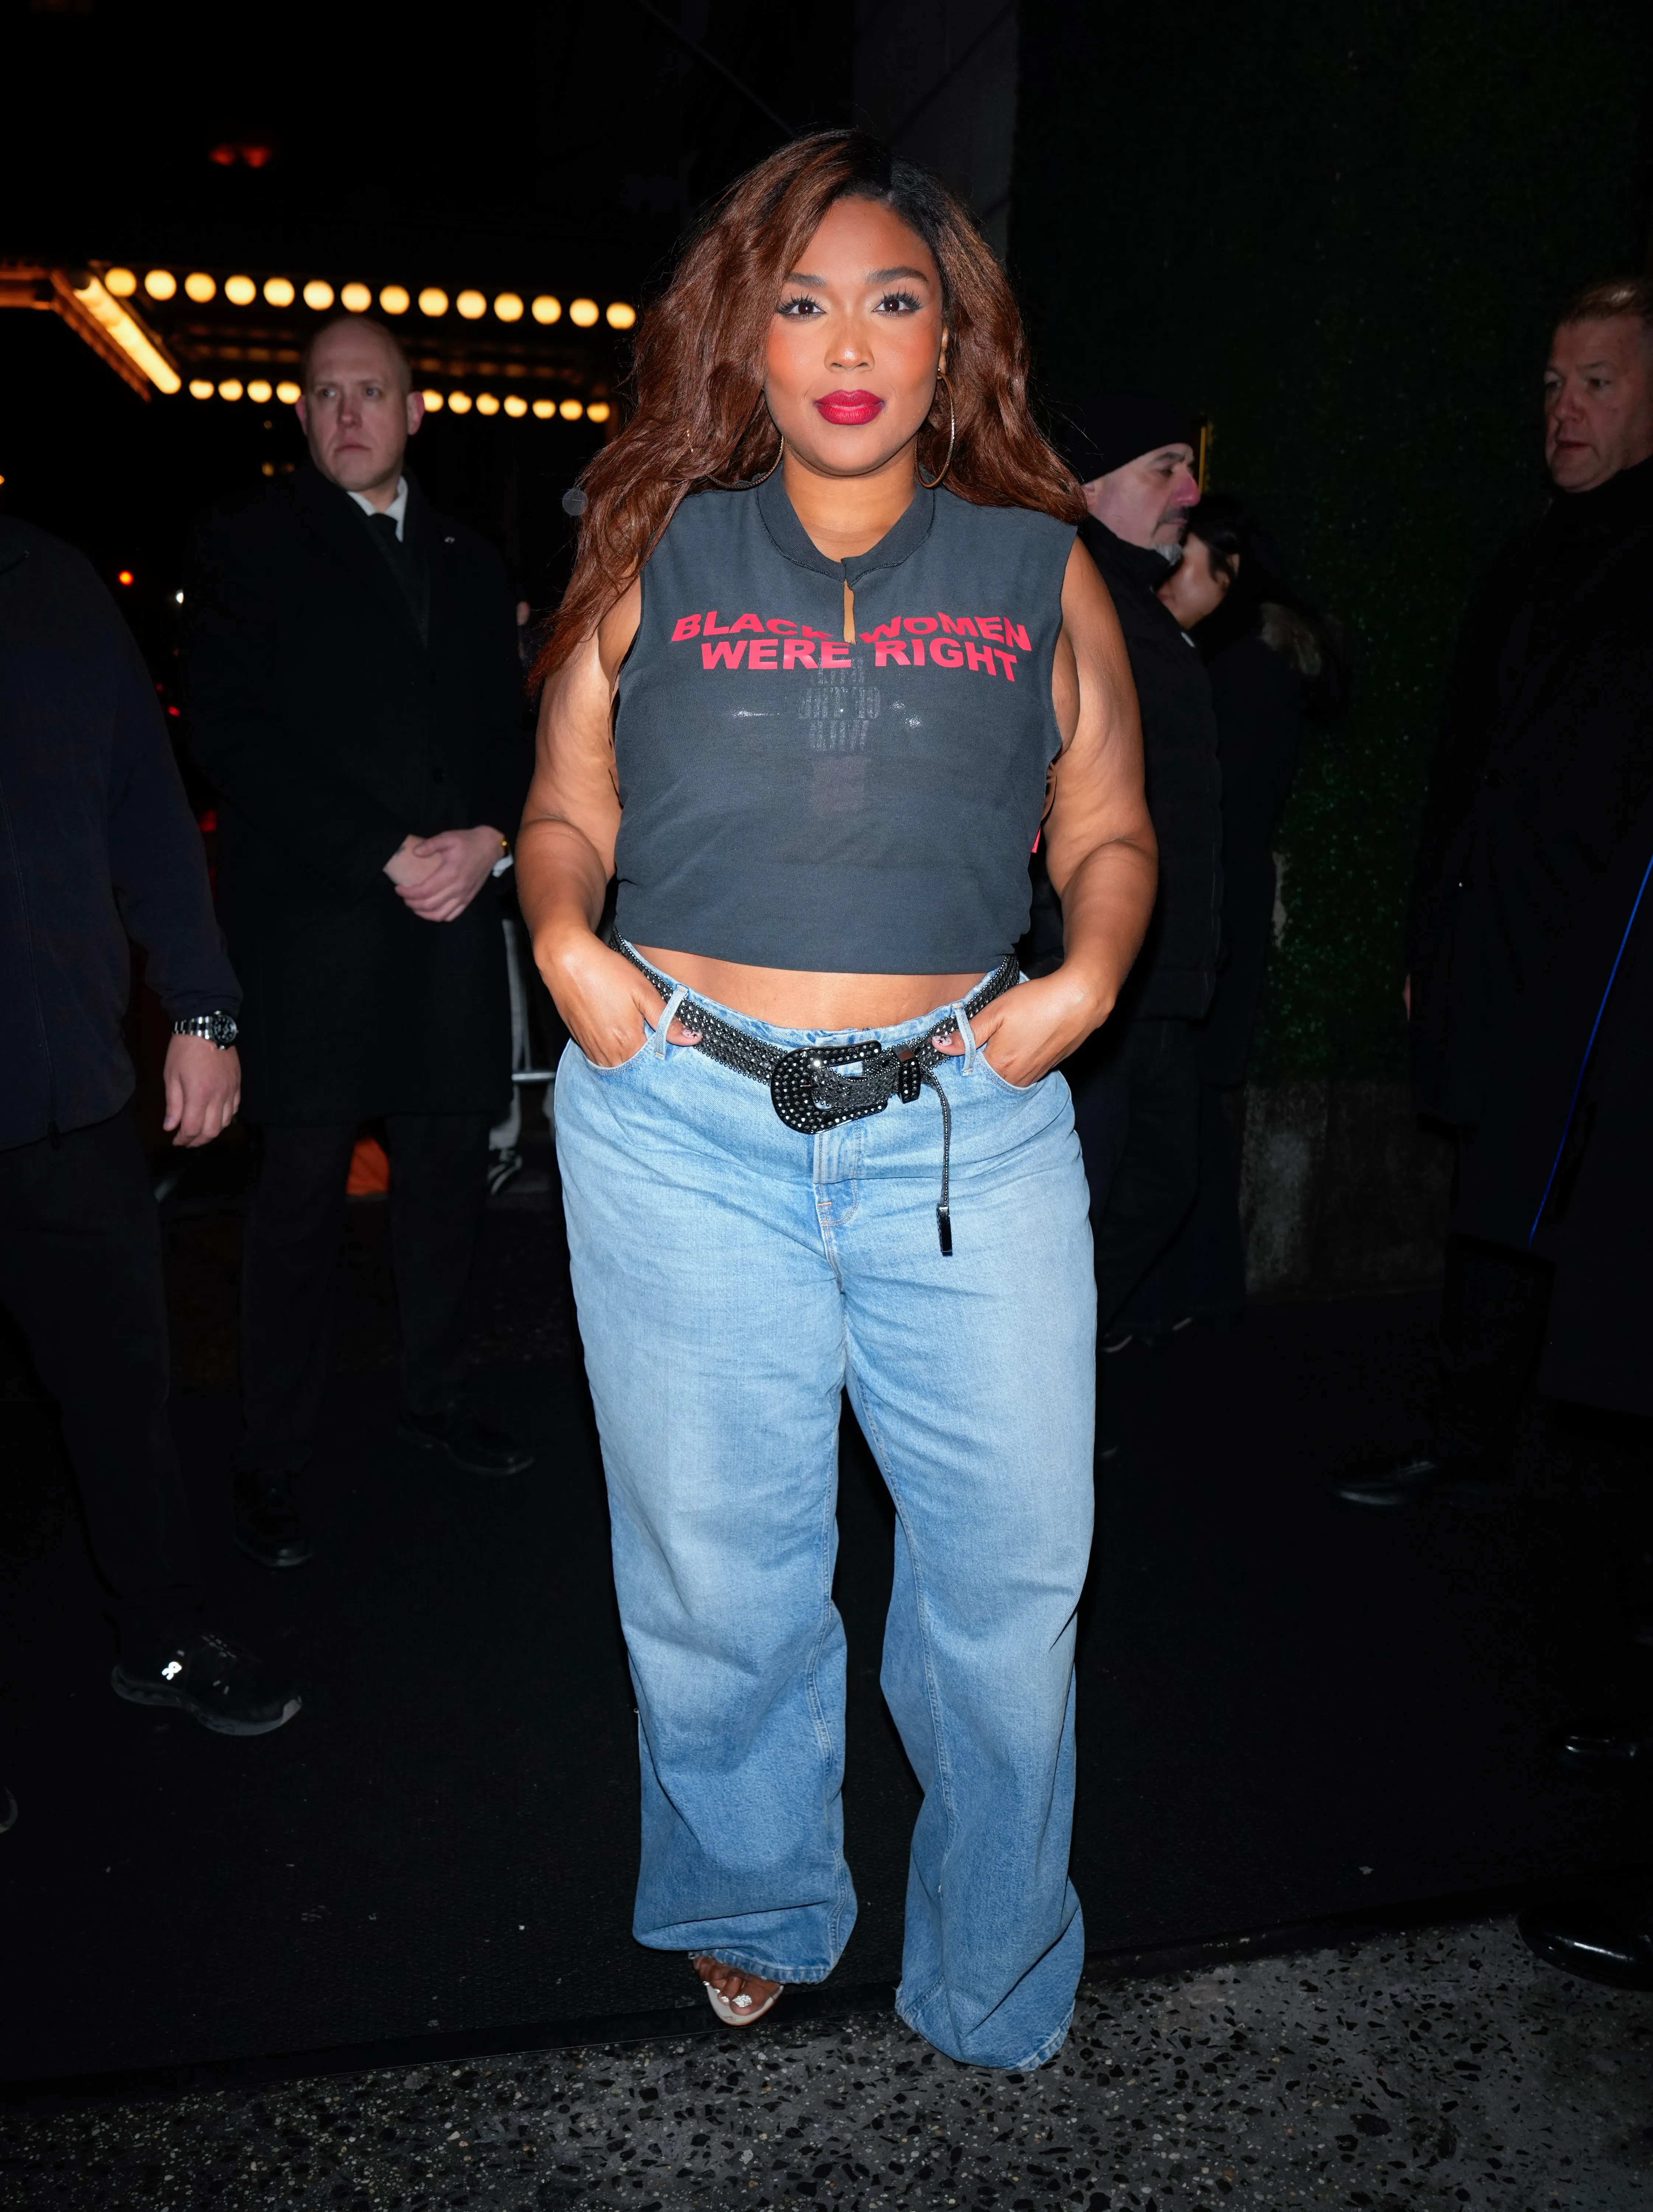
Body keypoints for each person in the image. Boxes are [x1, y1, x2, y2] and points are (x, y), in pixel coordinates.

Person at [517, 131, 1155, 2068]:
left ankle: (988, 1963)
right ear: (749, 337)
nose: (851, 341)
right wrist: (563, 941)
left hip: (967, 1120)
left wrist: (1092, 977)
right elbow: (565, 800)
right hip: (679, 1115)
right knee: (721, 1581)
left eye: (895, 299)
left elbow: (1109, 825)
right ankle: (749, 1896)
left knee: (1014, 1586)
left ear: (952, 342)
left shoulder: (1041, 567)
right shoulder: (652, 546)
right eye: (804, 303)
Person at [1334, 276, 1653, 1986]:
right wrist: (1423, 947)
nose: (1565, 407)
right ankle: (1475, 1440)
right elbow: (1466, 768)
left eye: (1596, 379)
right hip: (1526, 965)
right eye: (1553, 381)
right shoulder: (1531, 559)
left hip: (1612, 985)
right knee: (1515, 1225)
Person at [184, 314, 535, 1572]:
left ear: (415, 410)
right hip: (320, 928)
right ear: (299, 416)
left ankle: (435, 1398)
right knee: (299, 1204)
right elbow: (232, 737)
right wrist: (387, 850)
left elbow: (508, 724)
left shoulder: (472, 557)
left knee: (446, 1183)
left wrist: (491, 837)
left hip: (448, 920)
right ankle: (271, 1455)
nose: (346, 414)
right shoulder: (245, 546)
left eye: (369, 391)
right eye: (324, 394)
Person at [0, 514, 299, 1735]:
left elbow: (146, 809)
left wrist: (206, 1010)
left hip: (65, 1088)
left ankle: (161, 1636)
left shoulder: (50, 582)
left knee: (122, 1388)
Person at [1118, 493, 1346, 1334]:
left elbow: (1224, 805)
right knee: (1188, 1113)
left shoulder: (1242, 668)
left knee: (1182, 1116)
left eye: (1188, 559)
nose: (1168, 573)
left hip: (1205, 920)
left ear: (1233, 572)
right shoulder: (1234, 660)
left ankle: (1187, 1295)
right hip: (1209, 917)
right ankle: (1189, 1294)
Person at [1051, 396, 1222, 1348]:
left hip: (1154, 988)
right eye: (1164, 467)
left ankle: (1057, 1380)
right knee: (1088, 1206)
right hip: (1093, 981)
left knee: (1158, 1185)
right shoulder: (1069, 603)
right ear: (1087, 488)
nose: (1190, 492)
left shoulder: (1136, 613)